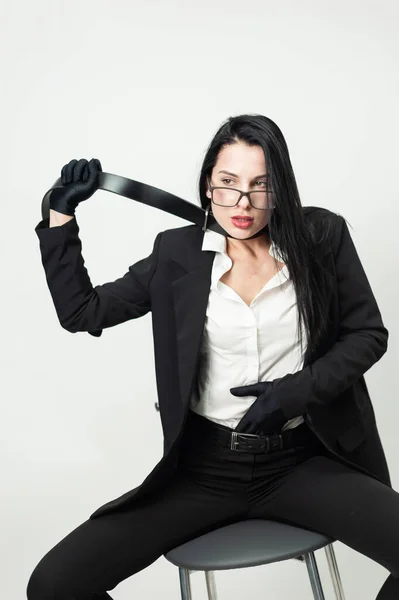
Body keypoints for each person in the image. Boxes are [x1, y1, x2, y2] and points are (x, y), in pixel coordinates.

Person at [27, 114, 398, 600]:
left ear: (280, 187)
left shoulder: (322, 237)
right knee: (54, 585)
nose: (242, 203)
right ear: (207, 186)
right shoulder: (177, 253)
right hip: (203, 472)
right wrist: (60, 215)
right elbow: (82, 311)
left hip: (302, 462)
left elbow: (367, 333)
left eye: (260, 185)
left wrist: (293, 394)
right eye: (227, 184)